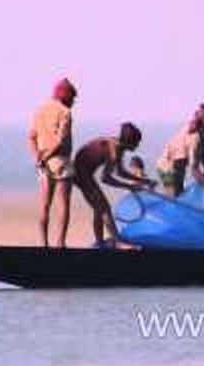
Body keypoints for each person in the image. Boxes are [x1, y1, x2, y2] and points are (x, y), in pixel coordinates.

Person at [73, 123, 156, 247]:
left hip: (84, 172)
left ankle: (100, 241)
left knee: (99, 208)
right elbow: (105, 178)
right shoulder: (114, 150)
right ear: (129, 142)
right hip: (80, 174)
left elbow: (120, 172)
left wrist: (144, 181)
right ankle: (118, 242)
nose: (138, 145)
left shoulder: (118, 145)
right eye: (137, 143)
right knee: (105, 208)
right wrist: (129, 186)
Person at [27, 78, 77, 248]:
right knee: (63, 205)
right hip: (60, 162)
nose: (74, 102)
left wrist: (38, 157)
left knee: (44, 205)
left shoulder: (39, 110)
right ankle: (60, 243)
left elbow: (31, 137)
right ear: (66, 96)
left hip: (43, 164)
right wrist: (48, 156)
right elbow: (61, 142)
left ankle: (43, 243)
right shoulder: (64, 112)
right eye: (73, 98)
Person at [156, 103, 204, 199]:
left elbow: (202, 151)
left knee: (179, 196)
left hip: (178, 166)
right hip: (168, 168)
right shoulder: (195, 137)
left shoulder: (202, 130)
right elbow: (194, 171)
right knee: (174, 201)